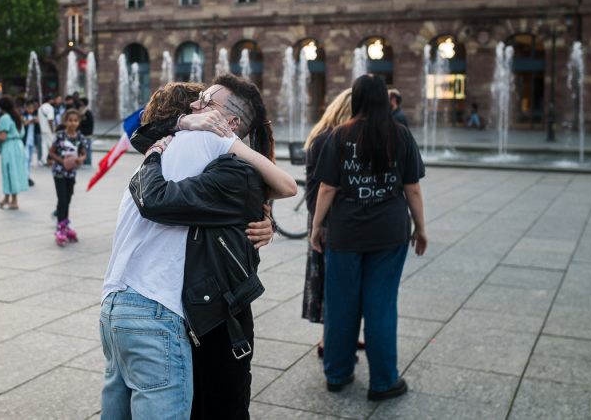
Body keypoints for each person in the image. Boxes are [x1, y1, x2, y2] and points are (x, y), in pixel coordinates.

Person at [100, 78, 295, 420]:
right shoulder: (184, 147)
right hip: (172, 309)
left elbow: (278, 187)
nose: (194, 110)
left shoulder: (195, 146)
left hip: (132, 306)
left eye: (204, 104)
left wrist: (263, 217)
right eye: (194, 105)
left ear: (229, 123)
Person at [310, 75, 427, 402]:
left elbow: (327, 187)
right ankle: (384, 381)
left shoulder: (339, 135)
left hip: (346, 233)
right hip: (389, 233)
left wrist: (316, 226)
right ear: (384, 100)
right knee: (381, 305)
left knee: (340, 305)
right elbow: (412, 188)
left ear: (357, 99)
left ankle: (337, 374)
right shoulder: (400, 134)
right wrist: (421, 228)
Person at [302, 88, 353, 357]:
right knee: (330, 285)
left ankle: (340, 335)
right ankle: (329, 340)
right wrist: (318, 225)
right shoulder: (329, 139)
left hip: (324, 218)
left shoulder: (325, 136)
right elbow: (319, 187)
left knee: (331, 283)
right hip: (327, 220)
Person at [49, 108, 87, 245]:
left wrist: (80, 159)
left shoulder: (79, 137)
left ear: (78, 122)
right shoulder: (60, 135)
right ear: (65, 121)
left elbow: (83, 153)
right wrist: (62, 161)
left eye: (75, 120)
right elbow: (51, 152)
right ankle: (60, 227)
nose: (73, 123)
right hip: (59, 172)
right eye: (70, 120)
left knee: (69, 198)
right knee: (62, 199)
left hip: (71, 173)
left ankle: (65, 223)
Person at [0, 96, 28, 210]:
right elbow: (22, 133)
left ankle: (14, 201)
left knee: (9, 172)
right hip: (18, 145)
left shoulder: (5, 117)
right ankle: (6, 199)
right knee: (15, 171)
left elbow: (3, 137)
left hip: (9, 146)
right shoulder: (17, 116)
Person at [22, 100, 40, 186]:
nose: (30, 110)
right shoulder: (23, 115)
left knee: (29, 160)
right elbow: (24, 123)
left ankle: (27, 176)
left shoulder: (34, 115)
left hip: (31, 141)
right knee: (25, 159)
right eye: (29, 108)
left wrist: (35, 120)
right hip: (25, 141)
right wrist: (31, 121)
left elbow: (38, 122)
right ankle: (25, 177)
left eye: (32, 108)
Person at [38, 94, 56, 166]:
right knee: (52, 145)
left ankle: (44, 160)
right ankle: (53, 159)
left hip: (42, 129)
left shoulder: (40, 108)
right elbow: (50, 120)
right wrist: (52, 129)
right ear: (50, 100)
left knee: (44, 145)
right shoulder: (50, 108)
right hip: (48, 129)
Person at [78, 97, 94, 166]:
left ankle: (88, 162)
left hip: (86, 134)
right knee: (83, 148)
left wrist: (81, 122)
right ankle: (84, 162)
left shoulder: (87, 112)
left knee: (87, 149)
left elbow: (90, 122)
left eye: (80, 102)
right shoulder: (83, 111)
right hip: (83, 133)